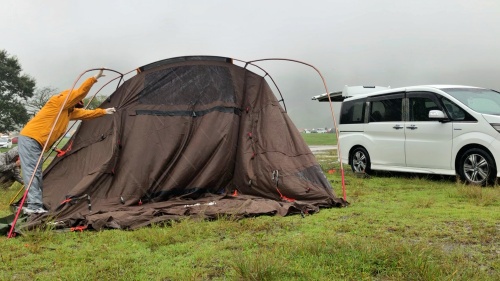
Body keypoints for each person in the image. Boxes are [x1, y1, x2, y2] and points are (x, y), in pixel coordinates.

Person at [18, 69, 116, 215]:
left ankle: (35, 204)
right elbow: (80, 93)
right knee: (32, 172)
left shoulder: (68, 111)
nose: (78, 107)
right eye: (77, 104)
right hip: (30, 138)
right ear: (73, 100)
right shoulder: (58, 102)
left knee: (36, 173)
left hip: (38, 142)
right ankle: (34, 206)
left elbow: (86, 114)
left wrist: (103, 112)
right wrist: (93, 79)